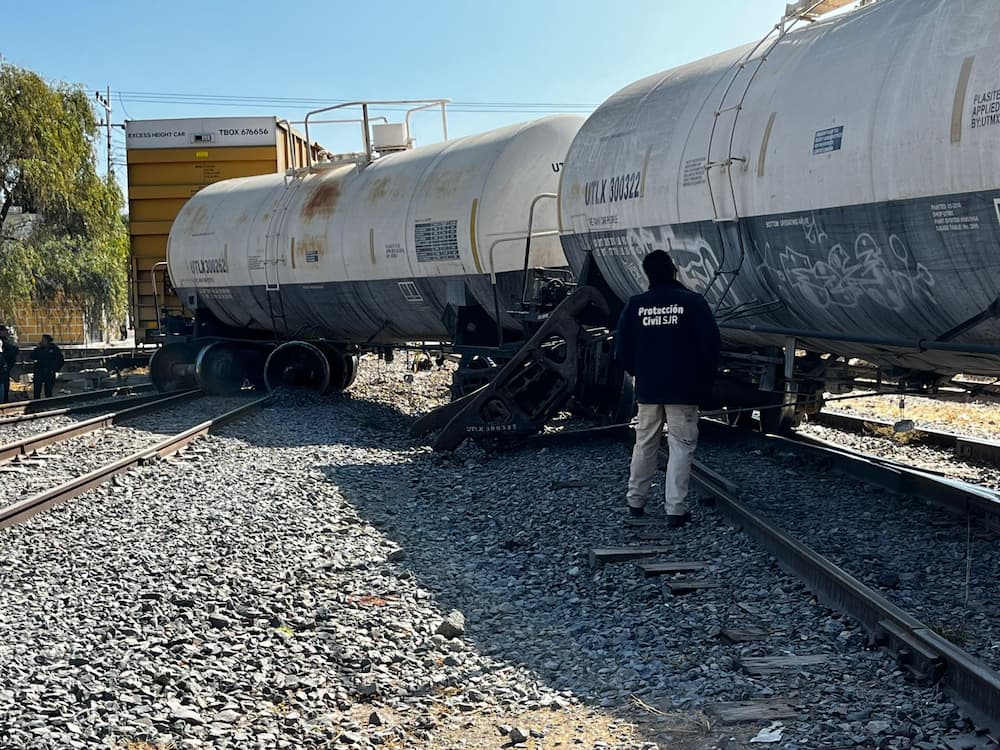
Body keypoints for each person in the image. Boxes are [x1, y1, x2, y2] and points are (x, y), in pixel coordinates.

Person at [614, 250, 721, 528]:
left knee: (644, 444)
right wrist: (703, 382)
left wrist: (642, 373)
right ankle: (676, 509)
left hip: (649, 389)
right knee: (681, 447)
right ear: (674, 271)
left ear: (647, 274)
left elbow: (621, 350)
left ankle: (635, 501)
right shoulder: (693, 303)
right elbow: (710, 347)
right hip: (683, 390)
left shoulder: (636, 305)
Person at [31, 334, 64, 399]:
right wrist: (37, 348)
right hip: (39, 371)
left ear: (48, 341)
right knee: (37, 390)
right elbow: (32, 356)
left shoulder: (54, 349)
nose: (42, 342)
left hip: (49, 372)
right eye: (42, 340)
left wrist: (54, 369)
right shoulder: (39, 349)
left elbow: (60, 360)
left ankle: (48, 403)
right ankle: (36, 403)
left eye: (44, 340)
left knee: (48, 391)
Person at [0, 325, 19, 403]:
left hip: (6, 366)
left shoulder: (6, 340)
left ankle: (4, 399)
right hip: (3, 366)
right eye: (5, 331)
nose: (7, 332)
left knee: (4, 384)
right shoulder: (2, 341)